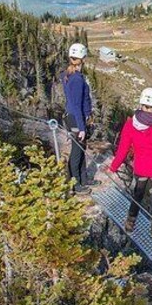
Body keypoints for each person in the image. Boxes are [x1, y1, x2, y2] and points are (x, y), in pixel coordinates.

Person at [109, 87, 152, 240]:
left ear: (140, 103)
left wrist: (114, 166)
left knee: (137, 195)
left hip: (140, 168)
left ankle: (130, 222)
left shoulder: (131, 124)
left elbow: (123, 149)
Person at [62, 42, 93, 195]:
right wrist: (81, 127)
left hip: (74, 117)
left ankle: (83, 178)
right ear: (83, 59)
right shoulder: (77, 79)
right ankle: (75, 184)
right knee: (77, 151)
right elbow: (76, 105)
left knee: (81, 149)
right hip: (76, 118)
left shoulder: (68, 75)